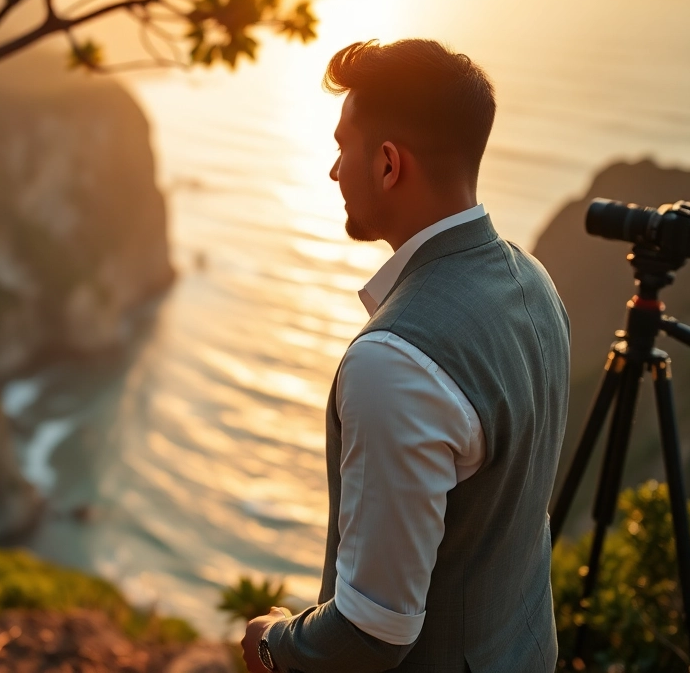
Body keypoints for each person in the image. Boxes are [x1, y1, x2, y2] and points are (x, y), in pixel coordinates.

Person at [240, 39, 570, 673]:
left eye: (343, 147)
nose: (334, 171)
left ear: (389, 164)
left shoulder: (394, 360)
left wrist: (270, 642)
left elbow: (371, 633)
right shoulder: (536, 285)